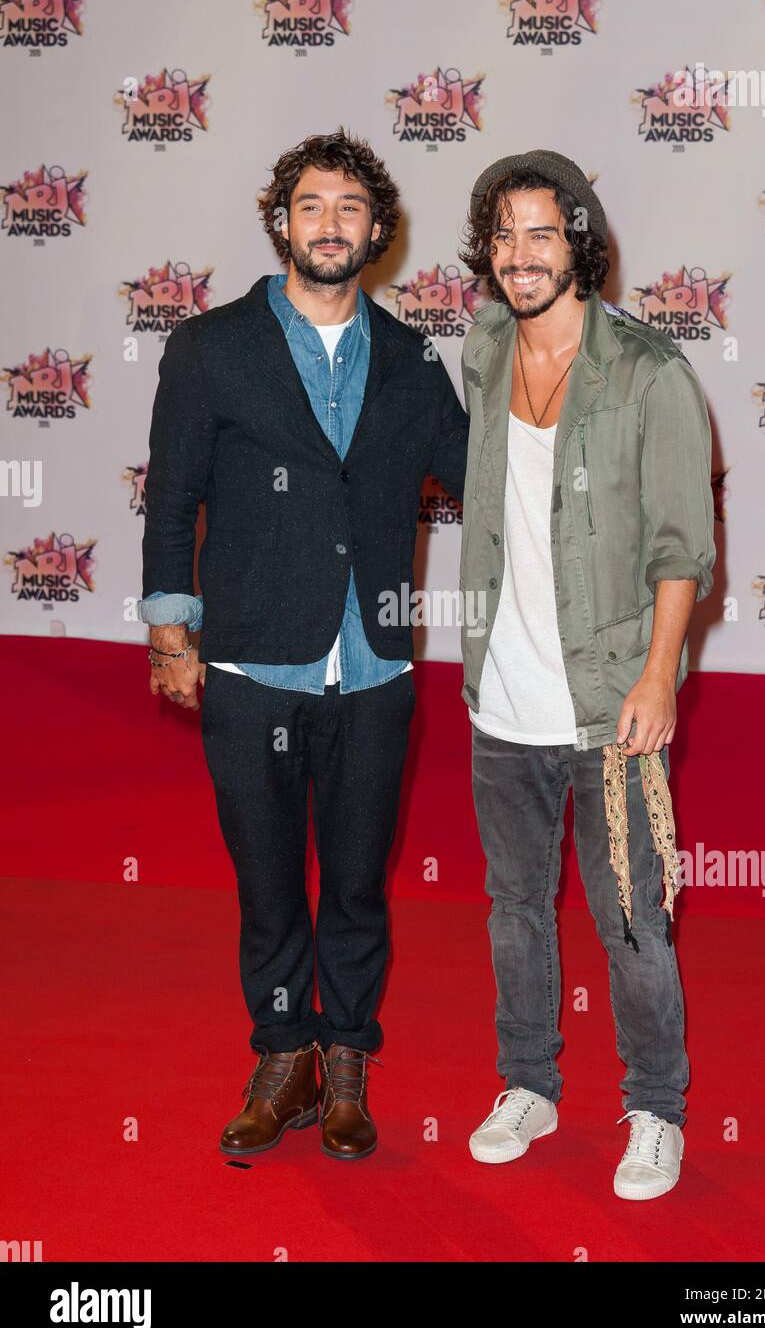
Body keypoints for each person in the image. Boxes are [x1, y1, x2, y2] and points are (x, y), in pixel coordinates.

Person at [139, 128, 468, 1161]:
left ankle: (348, 1059)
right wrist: (167, 627)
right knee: (269, 878)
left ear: (380, 231)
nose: (332, 224)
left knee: (360, 878)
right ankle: (282, 1056)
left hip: (372, 666)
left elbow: (477, 481)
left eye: (351, 209)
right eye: (312, 206)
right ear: (283, 220)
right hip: (248, 660)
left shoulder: (414, 358)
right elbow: (172, 494)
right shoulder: (209, 346)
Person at [457, 150, 715, 1198]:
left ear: (580, 244)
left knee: (629, 919)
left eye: (541, 234)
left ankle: (655, 1106)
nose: (519, 256)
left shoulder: (650, 373)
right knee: (513, 904)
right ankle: (528, 1081)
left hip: (609, 701)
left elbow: (680, 546)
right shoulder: (480, 348)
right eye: (503, 235)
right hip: (501, 698)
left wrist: (658, 679)